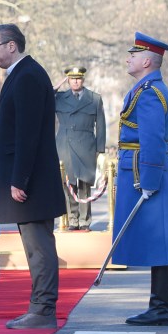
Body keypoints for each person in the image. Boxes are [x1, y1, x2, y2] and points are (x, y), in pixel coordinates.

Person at [0, 23, 66, 330]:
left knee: (39, 246)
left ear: (11, 45)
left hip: (31, 181)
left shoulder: (28, 75)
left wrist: (19, 179)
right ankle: (38, 306)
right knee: (34, 246)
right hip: (28, 179)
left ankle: (44, 310)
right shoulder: (21, 74)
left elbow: (28, 134)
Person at [112, 33, 168, 326]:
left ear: (147, 61)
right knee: (160, 244)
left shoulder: (148, 93)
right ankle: (159, 307)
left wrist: (149, 179)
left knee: (161, 242)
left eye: (133, 54)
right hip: (147, 169)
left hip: (145, 173)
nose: (128, 58)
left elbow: (157, 138)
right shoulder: (152, 89)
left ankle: (160, 308)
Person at [54, 66, 107, 230]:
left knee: (84, 183)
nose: (75, 81)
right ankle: (73, 219)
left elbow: (101, 126)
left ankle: (85, 221)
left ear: (83, 80)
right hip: (65, 144)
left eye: (78, 78)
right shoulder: (59, 98)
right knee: (69, 183)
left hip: (86, 144)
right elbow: (40, 98)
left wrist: (100, 150)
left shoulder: (95, 98)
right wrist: (54, 87)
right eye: (72, 78)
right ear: (67, 80)